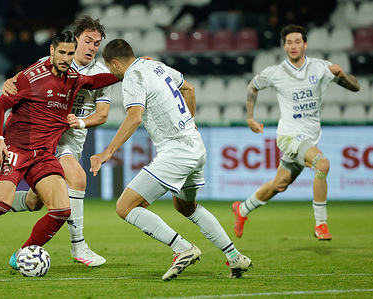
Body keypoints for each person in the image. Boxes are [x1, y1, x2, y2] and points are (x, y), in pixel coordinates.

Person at [0, 31, 119, 267]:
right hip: (15, 148)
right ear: (52, 51)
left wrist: (127, 71)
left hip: (43, 154)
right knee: (1, 203)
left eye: (69, 53)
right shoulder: (30, 78)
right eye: (61, 52)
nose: (65, 58)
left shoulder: (74, 78)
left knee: (61, 210)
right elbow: (0, 107)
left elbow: (95, 81)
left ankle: (21, 255)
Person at [90, 38, 252, 280]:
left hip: (176, 152)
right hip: (196, 147)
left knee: (125, 207)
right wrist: (189, 121)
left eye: (110, 69)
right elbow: (190, 89)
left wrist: (107, 151)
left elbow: (134, 117)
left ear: (115, 63)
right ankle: (234, 256)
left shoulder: (133, 76)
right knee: (186, 207)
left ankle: (182, 248)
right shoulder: (158, 66)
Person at [0, 16, 111, 267]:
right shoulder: (51, 62)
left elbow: (102, 115)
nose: (92, 47)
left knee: (36, 202)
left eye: (97, 43)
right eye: (87, 41)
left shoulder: (101, 74)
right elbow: (19, 83)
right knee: (78, 179)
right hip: (50, 139)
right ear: (75, 40)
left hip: (74, 139)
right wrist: (10, 81)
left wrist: (79, 123)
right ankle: (79, 248)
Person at [232, 24, 360, 241]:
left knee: (279, 185)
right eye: (289, 42)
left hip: (309, 136)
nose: (293, 46)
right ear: (284, 46)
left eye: (297, 42)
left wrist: (343, 75)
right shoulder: (275, 72)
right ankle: (321, 224)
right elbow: (252, 86)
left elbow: (355, 88)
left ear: (305, 44)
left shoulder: (321, 68)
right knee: (322, 163)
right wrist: (250, 117)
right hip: (289, 135)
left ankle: (243, 209)